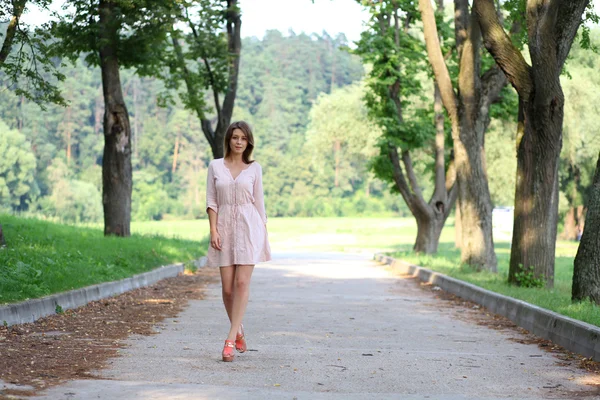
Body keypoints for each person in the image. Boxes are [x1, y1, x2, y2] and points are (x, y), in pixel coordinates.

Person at [205, 121, 271, 362]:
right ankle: (239, 328)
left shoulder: (255, 169)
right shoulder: (215, 167)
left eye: (243, 138)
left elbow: (259, 204)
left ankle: (230, 339)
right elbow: (212, 201)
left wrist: (263, 233)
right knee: (228, 288)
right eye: (235, 137)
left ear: (248, 142)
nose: (239, 141)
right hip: (224, 228)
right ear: (229, 140)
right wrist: (213, 230)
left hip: (249, 228)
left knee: (242, 284)